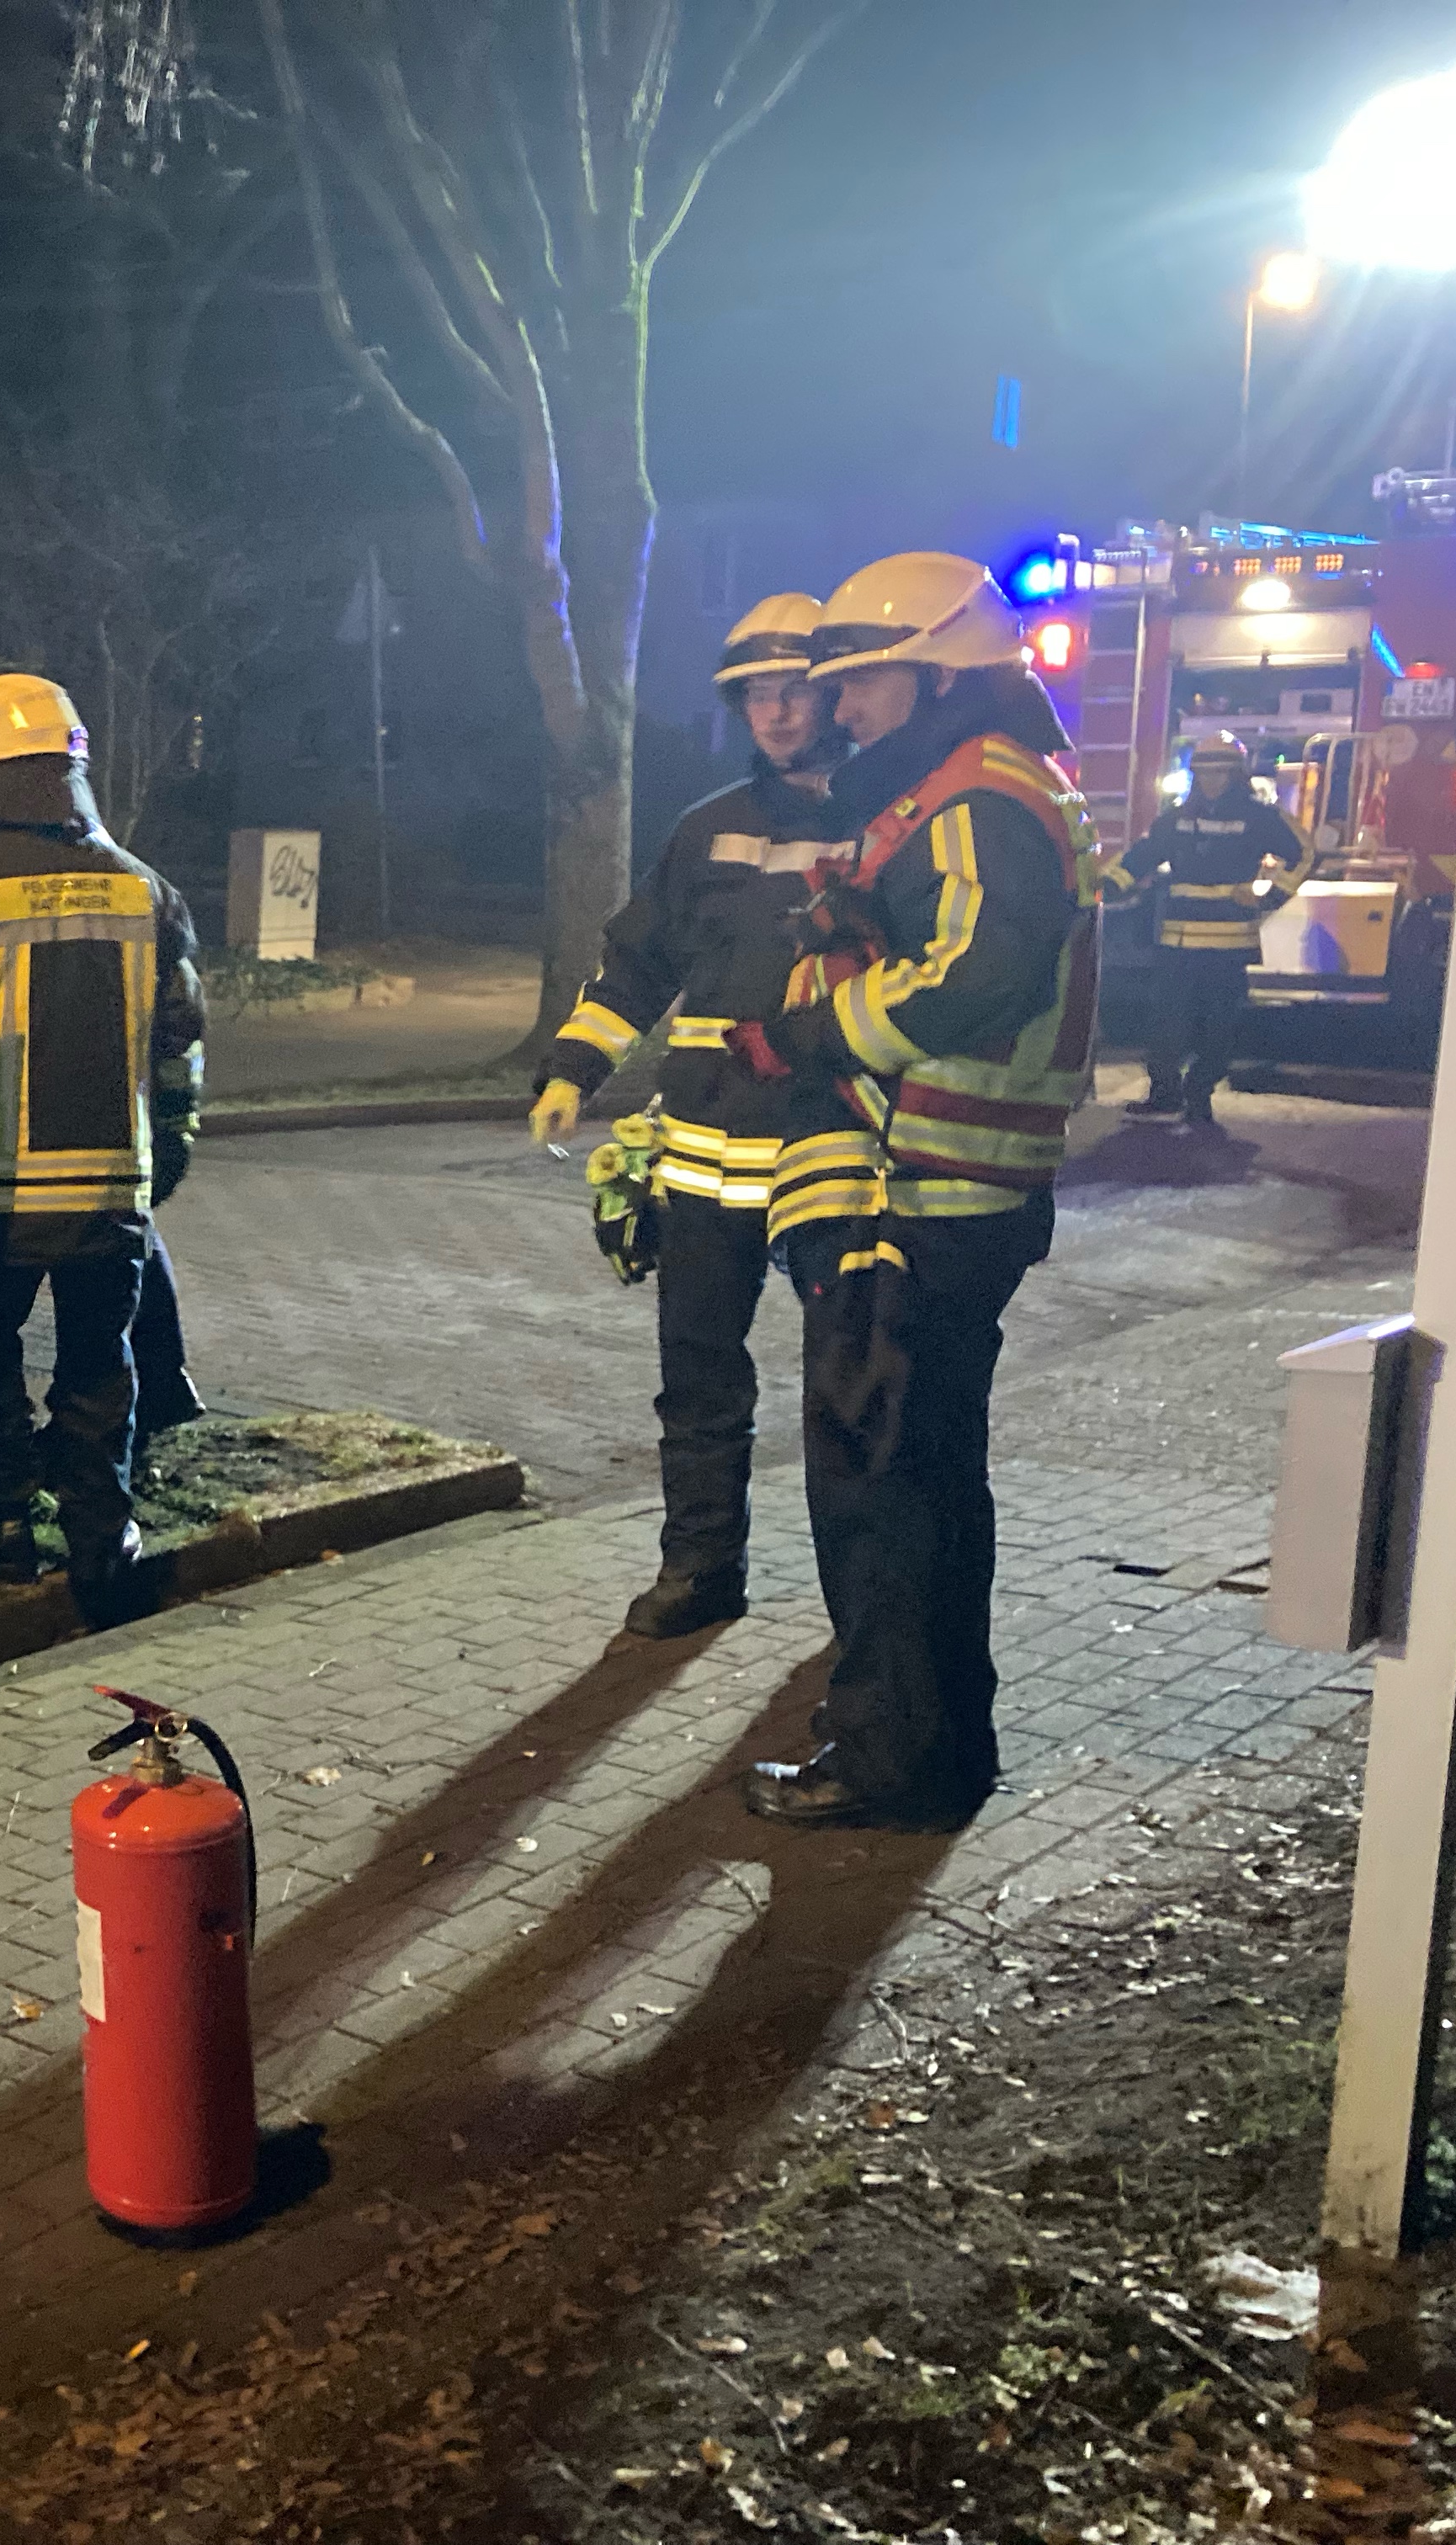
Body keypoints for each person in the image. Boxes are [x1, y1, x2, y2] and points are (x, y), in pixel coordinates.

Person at [721, 554, 1103, 1830]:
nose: (840, 708)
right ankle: (936, 1746)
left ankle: (889, 1760)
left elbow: (975, 974)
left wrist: (809, 1029)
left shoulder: (980, 796)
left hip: (926, 1198)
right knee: (927, 1479)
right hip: (941, 1193)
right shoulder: (973, 788)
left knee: (881, 1492)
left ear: (940, 673)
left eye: (864, 681)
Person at [530, 592, 847, 1639]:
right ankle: (700, 1570)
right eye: (759, 695)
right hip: (704, 1163)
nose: (779, 712)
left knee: (850, 1393)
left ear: (833, 694)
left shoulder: (886, 827)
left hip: (827, 1157)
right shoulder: (706, 828)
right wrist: (574, 1069)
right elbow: (638, 964)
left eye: (795, 690)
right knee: (699, 1383)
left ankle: (865, 1604)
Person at [0, 672, 205, 1605]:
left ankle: (0, 1534)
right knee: (98, 1371)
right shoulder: (148, 889)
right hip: (110, 1194)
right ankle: (102, 1545)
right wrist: (166, 1156)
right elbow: (179, 1040)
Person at [1123, 735, 1311, 1126]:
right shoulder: (1177, 817)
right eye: (1204, 773)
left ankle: (1199, 1092)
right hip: (1177, 942)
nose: (1211, 781)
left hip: (1229, 944)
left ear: (1236, 775)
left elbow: (1304, 852)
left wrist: (1271, 898)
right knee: (1166, 1023)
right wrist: (1105, 885)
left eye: (1220, 773)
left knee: (1219, 1028)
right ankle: (1165, 1094)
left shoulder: (1260, 817)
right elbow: (1141, 856)